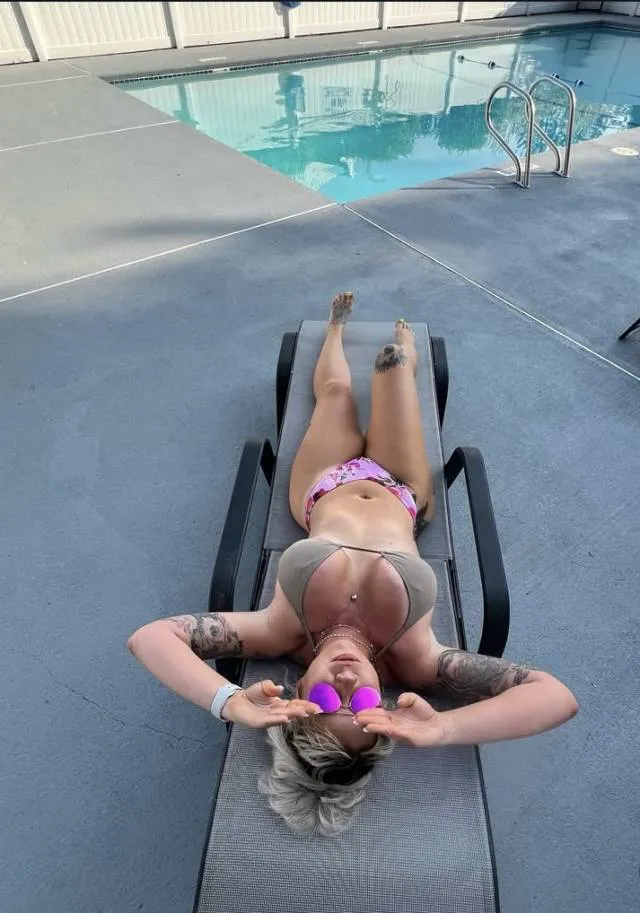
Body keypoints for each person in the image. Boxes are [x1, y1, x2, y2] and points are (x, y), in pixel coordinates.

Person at [128, 292, 578, 836]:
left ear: (298, 693)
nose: (344, 679)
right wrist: (442, 729)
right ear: (382, 703)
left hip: (322, 485)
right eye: (360, 702)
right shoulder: (417, 659)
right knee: (394, 366)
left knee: (337, 392)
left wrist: (230, 703)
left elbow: (151, 638)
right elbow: (555, 696)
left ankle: (335, 329)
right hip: (402, 490)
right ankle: (402, 355)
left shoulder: (280, 631)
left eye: (323, 700)